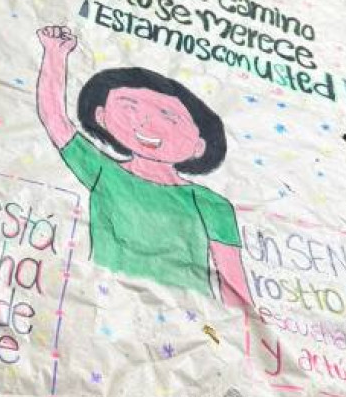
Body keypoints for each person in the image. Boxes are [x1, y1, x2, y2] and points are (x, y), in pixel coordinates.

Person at [36, 25, 252, 309]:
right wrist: (55, 54)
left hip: (185, 314)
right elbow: (55, 120)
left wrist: (239, 330)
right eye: (129, 108)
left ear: (199, 145)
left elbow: (234, 285)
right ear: (101, 116)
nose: (146, 123)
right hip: (105, 301)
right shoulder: (104, 173)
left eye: (169, 117)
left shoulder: (212, 204)